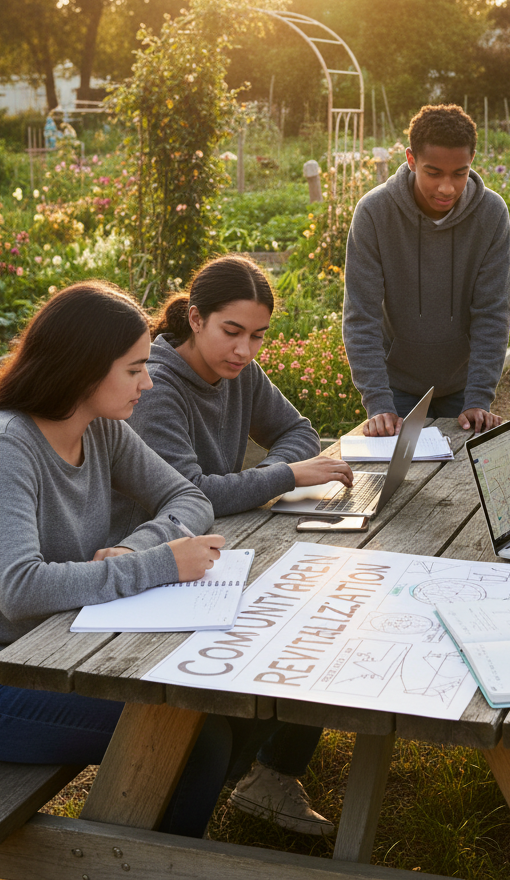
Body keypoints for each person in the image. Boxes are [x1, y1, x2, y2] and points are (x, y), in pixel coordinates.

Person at [0, 282, 233, 838]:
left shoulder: (101, 429)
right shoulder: (3, 448)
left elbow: (190, 498)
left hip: (57, 652)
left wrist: (136, 547)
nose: (148, 381)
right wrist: (160, 563)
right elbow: (20, 588)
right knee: (196, 738)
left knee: (212, 706)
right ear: (84, 369)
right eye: (134, 369)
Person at [113, 253, 345, 835]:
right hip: (157, 562)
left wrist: (266, 475)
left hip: (222, 542)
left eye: (258, 336)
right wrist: (285, 476)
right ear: (195, 318)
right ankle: (202, 782)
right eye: (232, 331)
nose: (244, 350)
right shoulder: (157, 385)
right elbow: (194, 493)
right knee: (292, 624)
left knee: (319, 612)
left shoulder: (240, 374)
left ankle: (266, 772)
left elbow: (297, 431)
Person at [343, 103, 510, 437]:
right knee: (397, 472)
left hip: (464, 386)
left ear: (472, 160)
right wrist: (378, 402)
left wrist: (479, 397)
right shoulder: (374, 213)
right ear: (411, 159)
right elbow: (361, 316)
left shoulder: (491, 214)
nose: (447, 187)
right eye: (433, 173)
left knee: (462, 468)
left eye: (459, 173)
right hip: (396, 389)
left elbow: (492, 313)